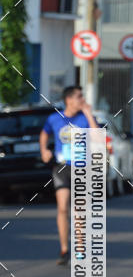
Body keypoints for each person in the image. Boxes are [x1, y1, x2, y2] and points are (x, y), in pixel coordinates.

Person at [39, 85, 99, 264]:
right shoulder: (54, 118)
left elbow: (97, 137)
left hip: (82, 168)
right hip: (61, 168)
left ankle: (80, 249)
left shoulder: (85, 118)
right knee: (63, 207)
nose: (83, 100)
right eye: (80, 97)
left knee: (79, 212)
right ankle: (65, 249)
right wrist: (44, 150)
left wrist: (88, 114)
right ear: (69, 100)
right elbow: (44, 134)